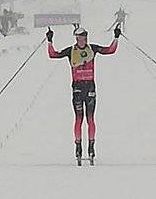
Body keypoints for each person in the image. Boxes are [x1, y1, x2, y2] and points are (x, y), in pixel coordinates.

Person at [47, 25, 120, 164]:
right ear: (77, 38)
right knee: (79, 119)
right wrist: (50, 41)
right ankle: (78, 148)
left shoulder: (92, 48)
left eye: (85, 37)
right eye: (81, 38)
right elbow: (53, 54)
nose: (84, 40)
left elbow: (110, 50)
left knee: (90, 118)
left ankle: (91, 148)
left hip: (90, 87)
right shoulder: (71, 51)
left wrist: (116, 37)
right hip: (77, 88)